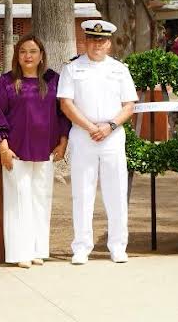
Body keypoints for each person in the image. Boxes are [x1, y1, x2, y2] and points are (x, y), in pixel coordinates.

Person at [58, 19, 138, 264]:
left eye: (101, 40)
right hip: (84, 135)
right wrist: (91, 127)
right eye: (93, 39)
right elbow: (66, 103)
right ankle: (81, 246)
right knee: (82, 191)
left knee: (116, 191)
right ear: (85, 41)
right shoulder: (72, 68)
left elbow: (129, 105)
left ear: (109, 44)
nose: (97, 45)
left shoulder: (119, 69)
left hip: (112, 135)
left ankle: (117, 245)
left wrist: (110, 126)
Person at [0, 35, 70, 269]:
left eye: (33, 51)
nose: (28, 56)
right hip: (16, 151)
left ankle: (37, 249)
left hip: (46, 150)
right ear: (17, 55)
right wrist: (2, 146)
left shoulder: (53, 80)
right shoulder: (6, 82)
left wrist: (63, 142)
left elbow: (63, 114)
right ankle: (19, 252)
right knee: (17, 201)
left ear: (41, 55)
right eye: (23, 51)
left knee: (41, 200)